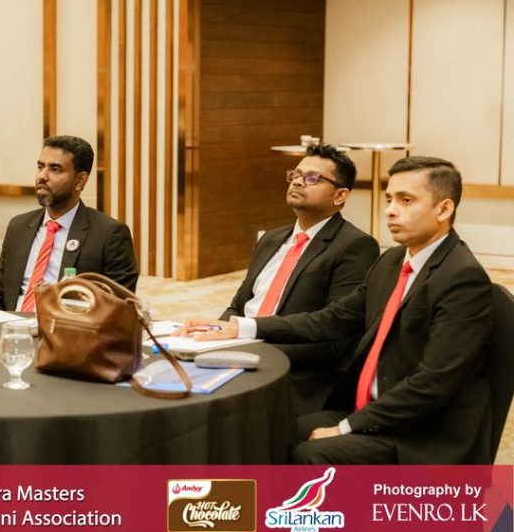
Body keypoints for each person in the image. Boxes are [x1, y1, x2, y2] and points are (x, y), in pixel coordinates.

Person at [178, 157, 492, 466]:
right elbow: (332, 319)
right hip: (367, 407)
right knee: (262, 433)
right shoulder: (392, 261)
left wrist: (345, 427)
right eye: (389, 199)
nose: (390, 210)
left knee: (310, 454)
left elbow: (433, 382)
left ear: (443, 209)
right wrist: (243, 328)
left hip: (418, 431)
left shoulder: (462, 278)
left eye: (406, 200)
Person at [221, 145, 379, 414]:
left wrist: (255, 350)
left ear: (340, 195)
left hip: (295, 377)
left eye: (312, 178)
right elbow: (239, 306)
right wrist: (213, 335)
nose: (297, 182)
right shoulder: (271, 239)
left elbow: (335, 339)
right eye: (295, 174)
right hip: (239, 355)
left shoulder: (355, 246)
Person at [0, 135, 138, 311]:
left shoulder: (109, 235)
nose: (42, 176)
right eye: (40, 167)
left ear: (80, 181)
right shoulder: (18, 226)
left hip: (68, 326)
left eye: (55, 169)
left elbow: (119, 308)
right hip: (13, 325)